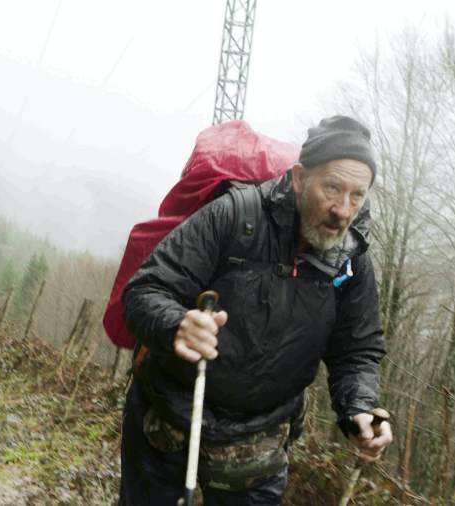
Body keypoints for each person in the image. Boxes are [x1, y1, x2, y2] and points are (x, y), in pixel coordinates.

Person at [118, 116, 393, 505]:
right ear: (299, 178)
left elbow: (357, 350)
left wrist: (360, 408)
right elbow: (146, 290)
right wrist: (177, 324)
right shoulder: (234, 216)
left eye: (357, 195)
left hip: (260, 440)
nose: (342, 210)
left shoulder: (352, 260)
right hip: (172, 417)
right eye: (332, 188)